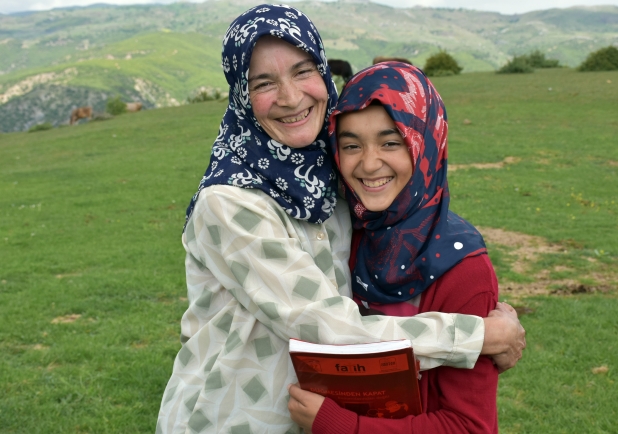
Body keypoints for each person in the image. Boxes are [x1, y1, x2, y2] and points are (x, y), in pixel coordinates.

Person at [157, 5, 524, 434]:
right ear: (241, 95)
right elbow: (325, 328)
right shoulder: (229, 203)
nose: (290, 97)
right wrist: (480, 338)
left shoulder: (333, 180)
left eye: (302, 71)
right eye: (263, 83)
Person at [288, 62, 505, 433]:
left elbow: (469, 426)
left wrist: (340, 425)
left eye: (391, 142)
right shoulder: (344, 238)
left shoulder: (462, 269)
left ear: (426, 142)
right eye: (351, 145)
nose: (369, 164)